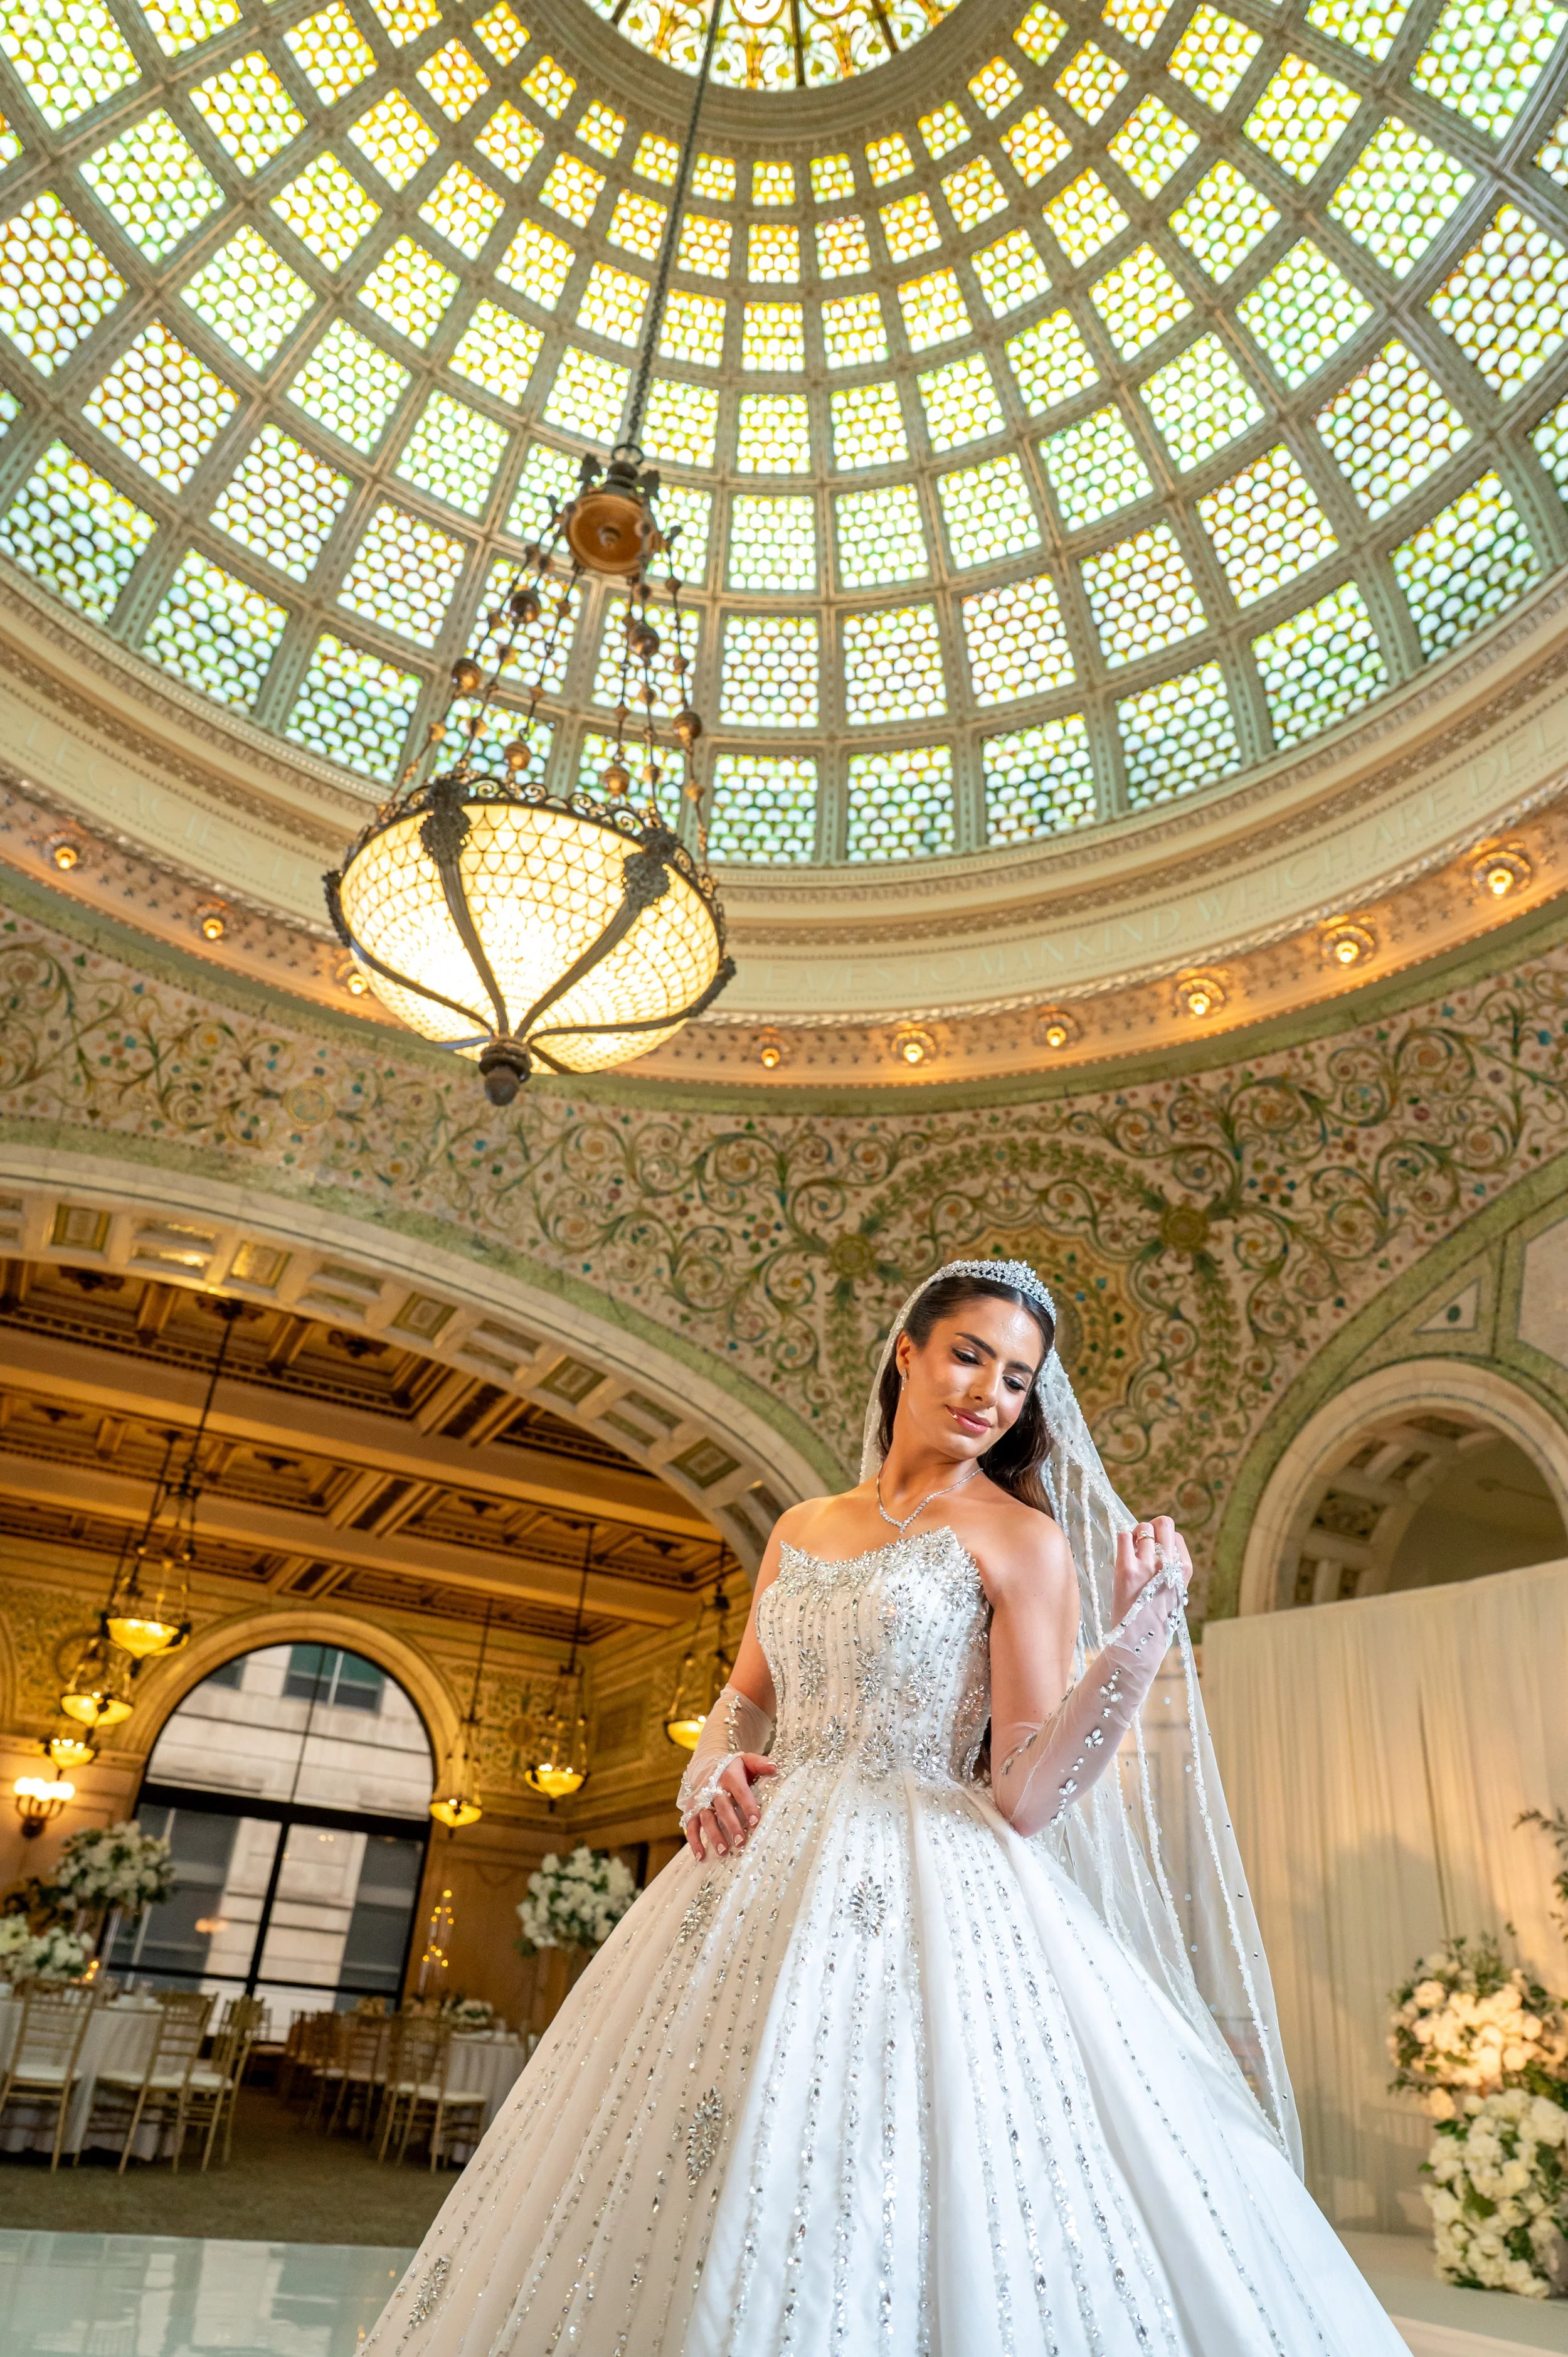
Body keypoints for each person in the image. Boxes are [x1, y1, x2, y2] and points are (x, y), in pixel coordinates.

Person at [369, 1258, 1407, 2355]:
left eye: (1017, 1379)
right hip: (752, 1876)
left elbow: (1025, 1790)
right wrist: (706, 1773)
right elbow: (739, 1706)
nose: (987, 1394)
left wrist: (1141, 1635)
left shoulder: (1024, 1539)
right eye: (969, 1355)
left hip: (933, 1882)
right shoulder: (803, 1526)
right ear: (907, 1351)